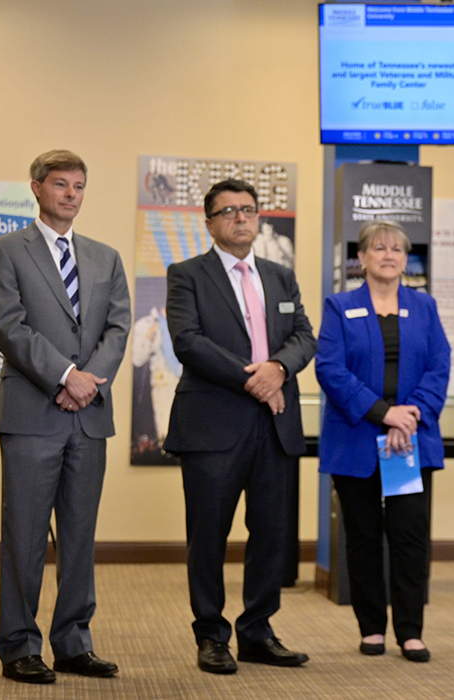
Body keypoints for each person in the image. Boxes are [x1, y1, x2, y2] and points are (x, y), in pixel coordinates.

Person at [0, 149, 131, 684]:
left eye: (79, 186)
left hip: (87, 417)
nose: (71, 194)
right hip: (32, 412)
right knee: (23, 535)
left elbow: (118, 328)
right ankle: (19, 645)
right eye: (61, 184)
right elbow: (9, 326)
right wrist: (66, 376)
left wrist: (86, 382)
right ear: (37, 188)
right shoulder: (5, 250)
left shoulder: (104, 257)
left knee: (79, 534)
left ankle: (73, 642)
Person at [163, 178, 316, 674]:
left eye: (248, 210)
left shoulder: (280, 275)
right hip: (212, 424)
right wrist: (255, 378)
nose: (240, 218)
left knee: (271, 534)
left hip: (274, 424)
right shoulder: (186, 274)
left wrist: (280, 370)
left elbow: (303, 336)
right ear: (209, 222)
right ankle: (211, 634)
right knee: (208, 536)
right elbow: (188, 341)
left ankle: (257, 630)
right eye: (228, 211)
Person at [315, 221, 451, 662]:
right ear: (362, 257)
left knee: (410, 536)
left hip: (408, 441)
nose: (388, 254)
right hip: (355, 439)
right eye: (378, 247)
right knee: (363, 536)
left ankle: (411, 631)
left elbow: (439, 365)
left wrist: (407, 416)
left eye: (396, 248)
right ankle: (372, 628)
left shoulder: (424, 306)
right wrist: (382, 413)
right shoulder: (340, 306)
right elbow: (330, 369)